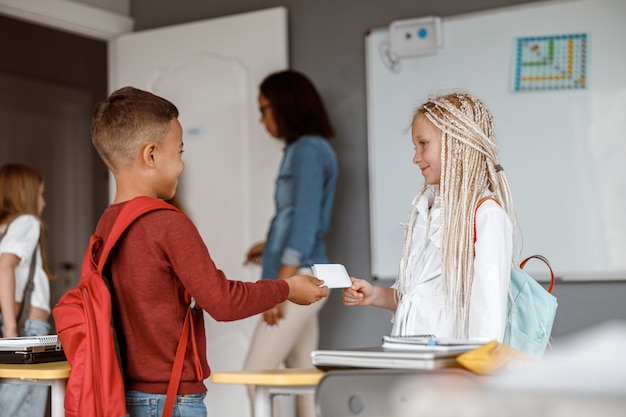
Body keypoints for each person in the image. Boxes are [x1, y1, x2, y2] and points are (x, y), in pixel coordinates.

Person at [88, 86, 328, 417]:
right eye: (180, 152)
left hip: (124, 394)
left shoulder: (106, 225)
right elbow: (224, 302)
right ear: (151, 155)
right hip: (174, 401)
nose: (182, 165)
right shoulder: (169, 223)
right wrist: (287, 288)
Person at [343, 92, 520, 341]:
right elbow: (418, 298)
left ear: (456, 143)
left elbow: (489, 316)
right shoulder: (426, 212)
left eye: (423, 144)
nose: (415, 158)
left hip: (451, 369)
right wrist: (374, 295)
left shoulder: (486, 215)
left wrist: (473, 374)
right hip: (409, 360)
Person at [242, 69, 337, 417]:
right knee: (303, 385)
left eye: (264, 109)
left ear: (286, 106)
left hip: (300, 279)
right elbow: (299, 218)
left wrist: (279, 287)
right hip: (307, 274)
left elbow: (306, 222)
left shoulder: (307, 150)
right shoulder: (307, 149)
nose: (262, 118)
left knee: (254, 380)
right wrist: (269, 246)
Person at [0, 163, 54, 417]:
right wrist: (12, 328)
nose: (43, 203)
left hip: (17, 327)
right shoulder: (28, 222)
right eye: (41, 195)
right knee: (25, 407)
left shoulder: (4, 229)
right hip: (28, 330)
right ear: (27, 194)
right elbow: (5, 266)